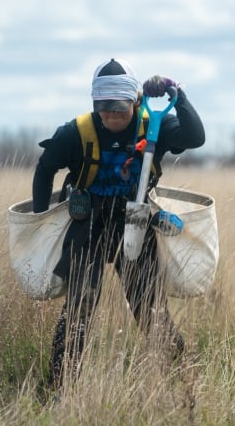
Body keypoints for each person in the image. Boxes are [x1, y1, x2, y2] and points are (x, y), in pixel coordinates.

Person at [32, 58, 205, 389]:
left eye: (120, 109)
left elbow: (195, 137)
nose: (112, 116)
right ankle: (58, 387)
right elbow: (44, 169)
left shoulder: (153, 125)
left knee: (148, 306)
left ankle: (182, 379)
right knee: (80, 306)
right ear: (95, 104)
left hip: (137, 223)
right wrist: (42, 222)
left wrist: (177, 93)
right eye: (105, 109)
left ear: (136, 101)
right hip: (89, 225)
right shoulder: (77, 131)